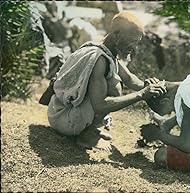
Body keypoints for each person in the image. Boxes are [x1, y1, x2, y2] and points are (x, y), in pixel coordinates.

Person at [47, 11, 166, 151]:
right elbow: (101, 105)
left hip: (57, 112)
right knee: (115, 87)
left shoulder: (106, 50)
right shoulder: (100, 60)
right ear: (116, 34)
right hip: (65, 119)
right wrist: (141, 95)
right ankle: (87, 137)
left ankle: (90, 129)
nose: (134, 48)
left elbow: (129, 78)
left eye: (137, 42)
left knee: (115, 82)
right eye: (132, 41)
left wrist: (148, 85)